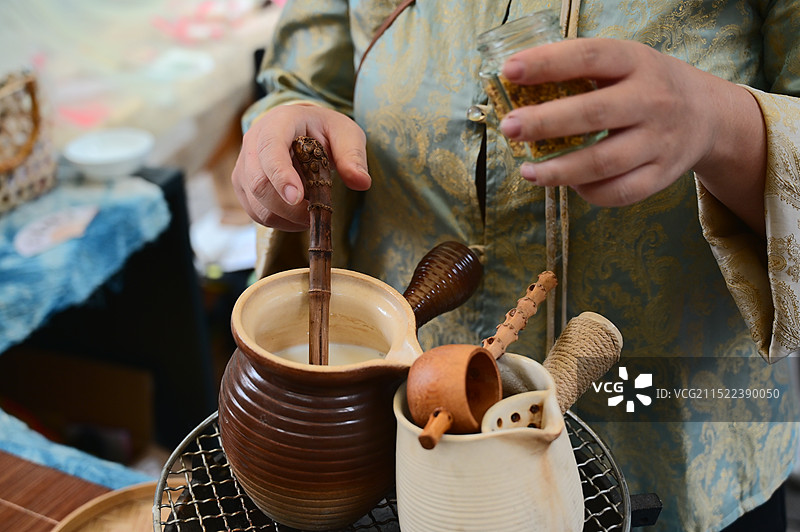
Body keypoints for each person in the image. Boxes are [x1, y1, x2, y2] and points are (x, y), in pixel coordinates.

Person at [231, 1, 800, 530]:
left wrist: (720, 121)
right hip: (398, 437)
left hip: (675, 423)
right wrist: (288, 131)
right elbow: (306, 85)